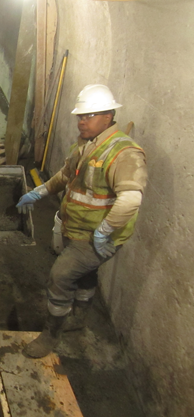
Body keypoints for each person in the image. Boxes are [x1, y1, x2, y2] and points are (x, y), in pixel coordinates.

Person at [17, 84, 148, 358]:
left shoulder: (124, 153)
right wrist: (38, 192)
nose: (82, 121)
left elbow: (131, 199)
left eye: (89, 115)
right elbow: (66, 176)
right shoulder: (84, 144)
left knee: (60, 276)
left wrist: (104, 231)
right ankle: (79, 317)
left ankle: (51, 336)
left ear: (109, 116)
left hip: (95, 236)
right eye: (80, 116)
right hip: (74, 229)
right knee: (85, 275)